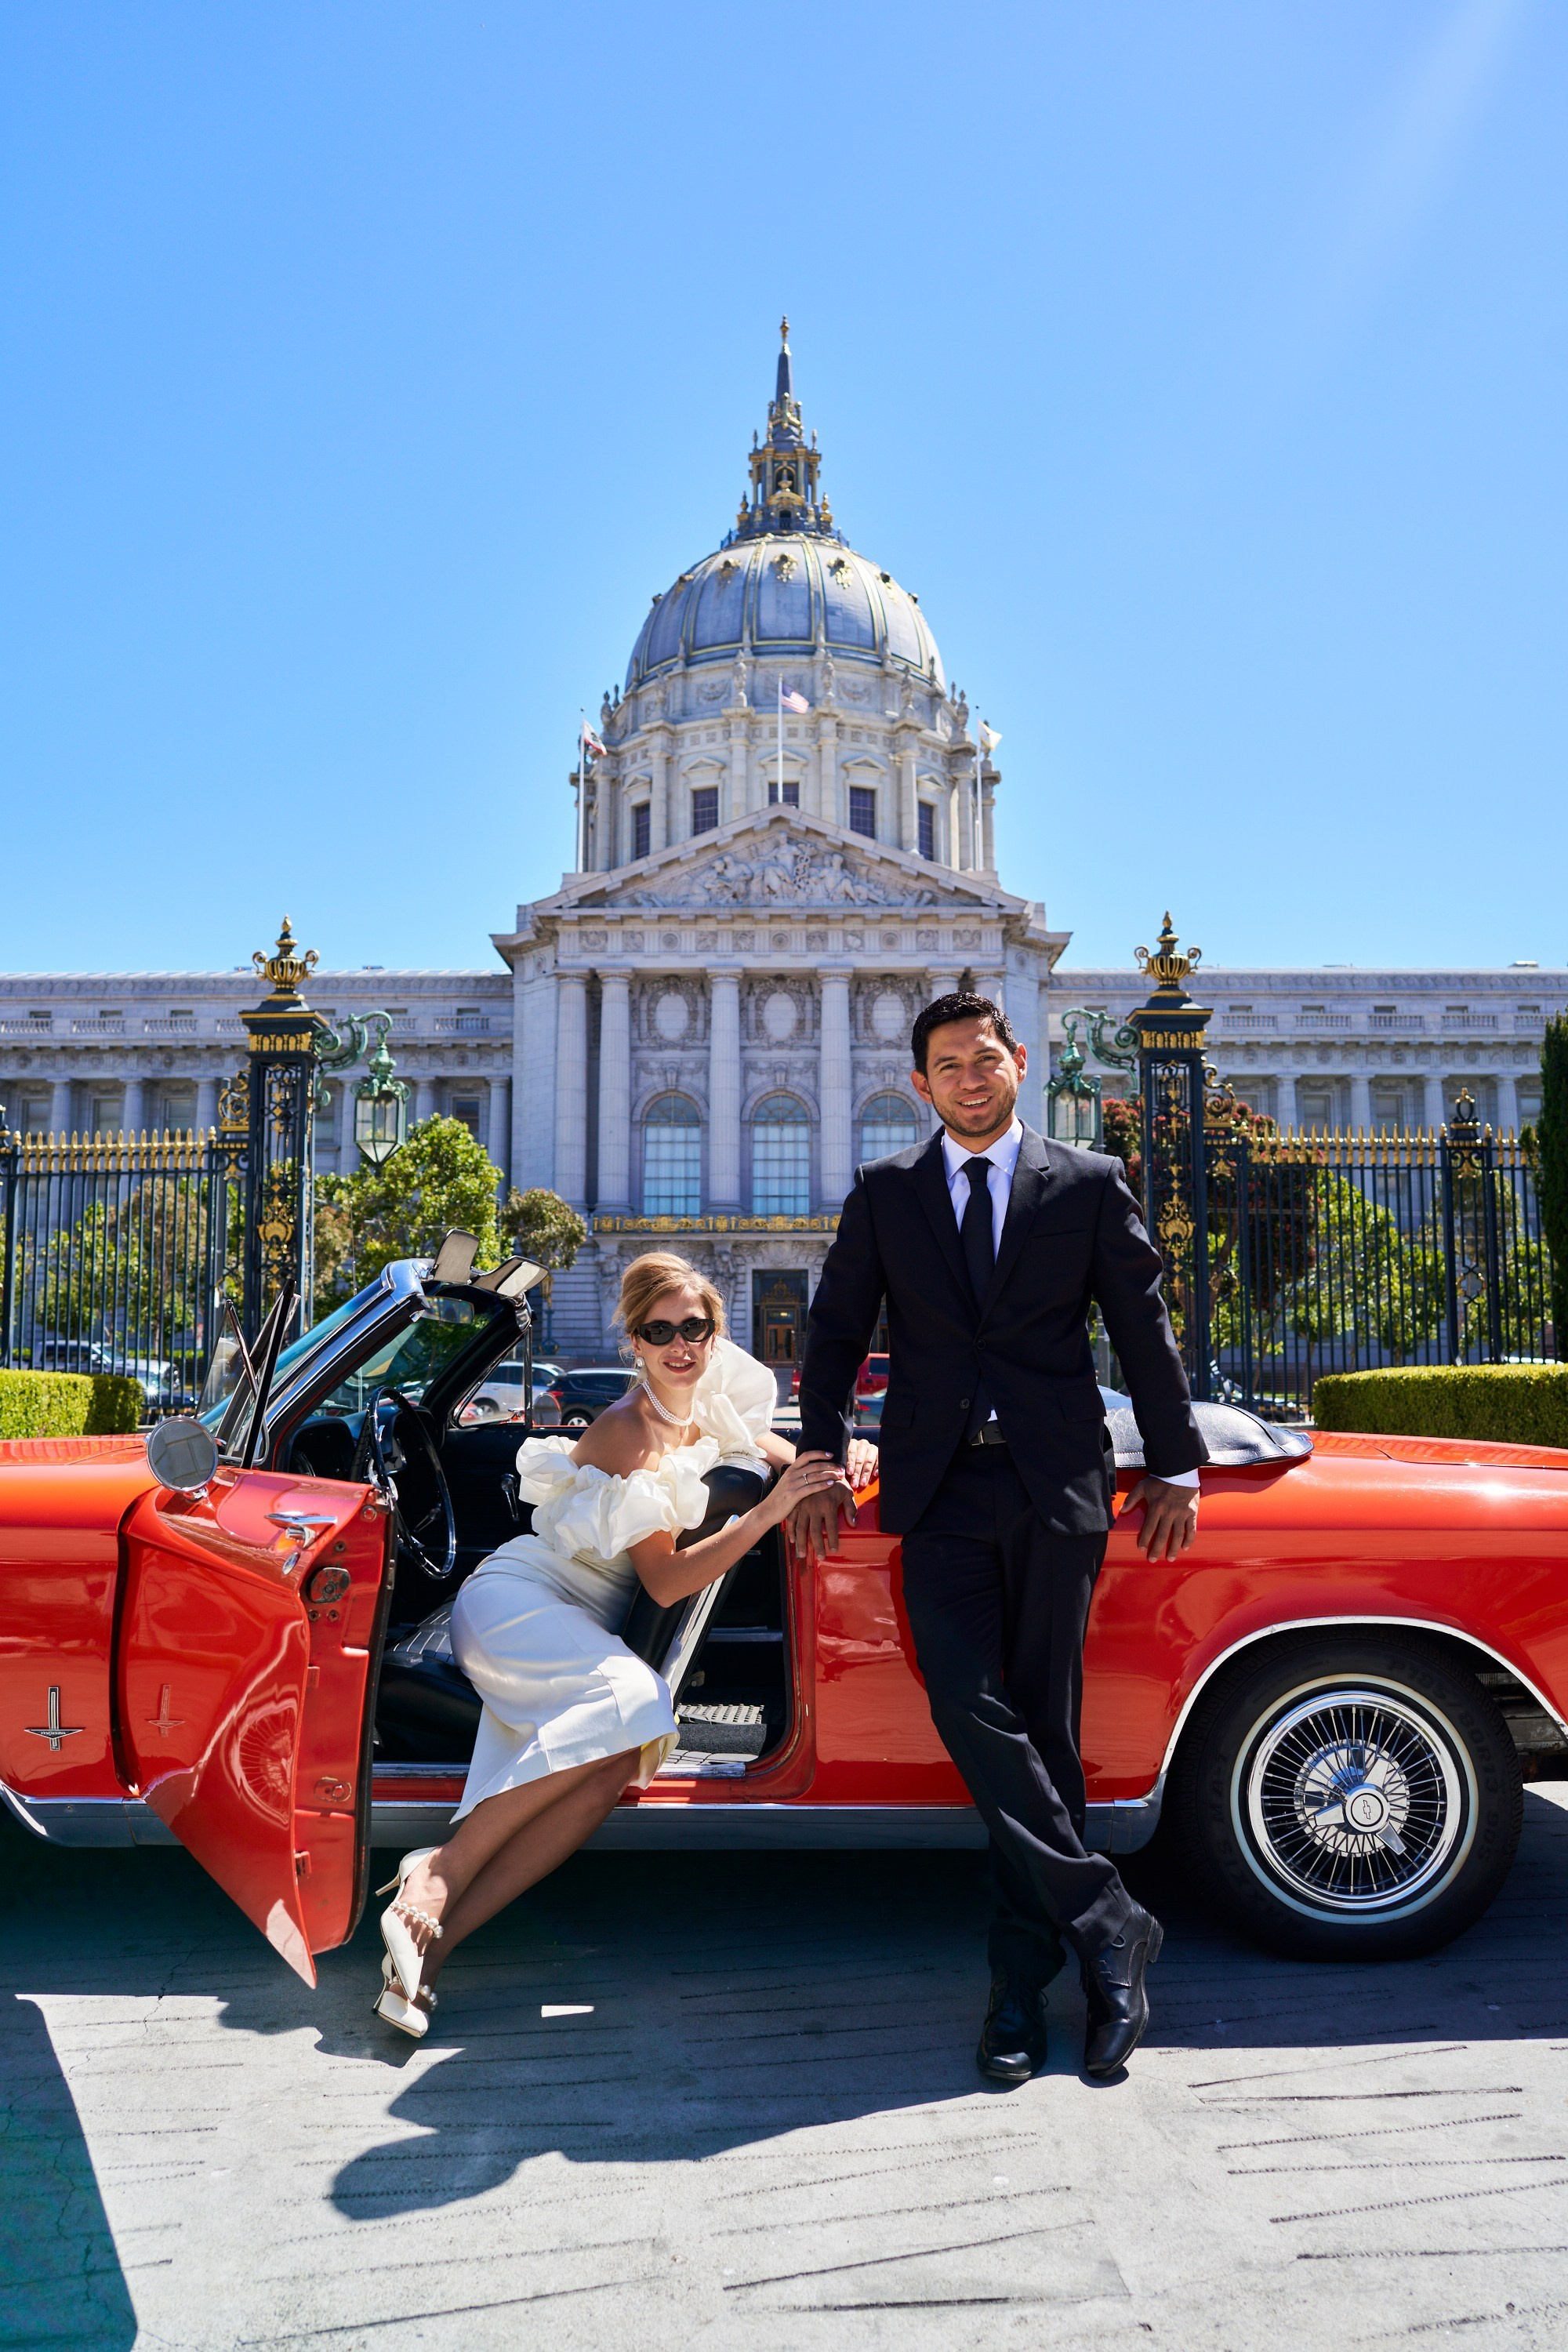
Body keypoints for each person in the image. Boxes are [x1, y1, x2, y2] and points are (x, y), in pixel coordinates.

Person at [791, 992, 1207, 2084]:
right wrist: (826, 1455)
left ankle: (1023, 1990)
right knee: (967, 1703)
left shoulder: (1085, 1183)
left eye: (986, 1059)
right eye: (947, 1065)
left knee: (1047, 1730)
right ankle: (1110, 1918)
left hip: (1053, 1486)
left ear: (1020, 1062)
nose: (970, 1079)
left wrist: (1174, 1464)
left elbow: (1143, 1333)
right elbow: (834, 1337)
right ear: (919, 1084)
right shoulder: (887, 1194)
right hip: (937, 1490)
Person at [372, 1251, 873, 2038]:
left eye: (694, 1328)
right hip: (518, 1604)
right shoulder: (626, 1430)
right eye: (658, 1330)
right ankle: (436, 1872)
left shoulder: (709, 1400)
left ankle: (433, 1947)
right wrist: (768, 1513)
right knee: (638, 1704)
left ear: (713, 1333)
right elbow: (667, 1582)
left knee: (609, 1772)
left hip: (574, 1626)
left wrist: (844, 1454)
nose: (680, 1344)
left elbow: (776, 1449)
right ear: (633, 1342)